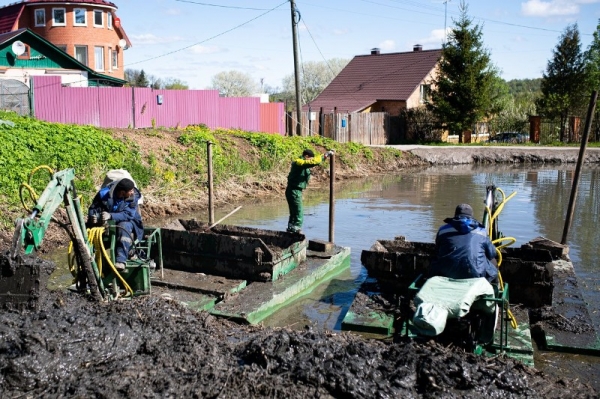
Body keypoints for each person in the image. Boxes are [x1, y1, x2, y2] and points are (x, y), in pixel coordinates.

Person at [428, 203, 498, 284]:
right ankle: (495, 288)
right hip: (475, 275)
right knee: (493, 260)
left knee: (435, 259)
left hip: (445, 273)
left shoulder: (442, 230)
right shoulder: (482, 231)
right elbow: (492, 253)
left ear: (455, 215)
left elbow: (437, 251)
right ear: (471, 216)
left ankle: (430, 280)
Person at [88, 178, 144, 271]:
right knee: (91, 232)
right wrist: (93, 217)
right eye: (130, 191)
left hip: (129, 220)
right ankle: (92, 259)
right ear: (122, 192)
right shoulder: (104, 194)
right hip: (107, 221)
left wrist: (110, 215)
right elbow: (93, 208)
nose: (132, 192)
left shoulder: (134, 196)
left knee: (124, 226)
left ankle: (121, 260)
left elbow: (128, 214)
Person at [285, 149, 333, 234]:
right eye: (310, 158)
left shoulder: (302, 164)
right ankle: (296, 229)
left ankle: (291, 229)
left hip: (294, 190)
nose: (311, 160)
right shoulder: (299, 162)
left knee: (294, 212)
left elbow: (311, 163)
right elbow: (312, 162)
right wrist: (324, 156)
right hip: (294, 191)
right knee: (298, 212)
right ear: (306, 156)